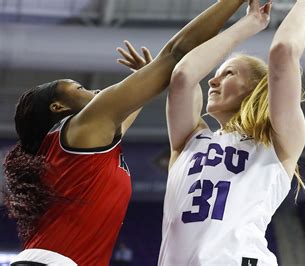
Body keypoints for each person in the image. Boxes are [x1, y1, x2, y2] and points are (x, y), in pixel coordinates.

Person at [2, 1, 246, 265]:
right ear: (58, 106)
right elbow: (176, 55)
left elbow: (131, 107)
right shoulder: (84, 126)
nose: (93, 92)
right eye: (79, 87)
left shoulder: (79, 145)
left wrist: (144, 77)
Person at [159, 0, 305, 265]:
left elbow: (283, 51)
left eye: (228, 74)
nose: (213, 81)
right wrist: (248, 24)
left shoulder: (274, 140)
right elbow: (183, 75)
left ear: (253, 89)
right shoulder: (190, 141)